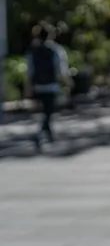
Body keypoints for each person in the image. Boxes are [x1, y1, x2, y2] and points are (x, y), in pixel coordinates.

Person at [25, 22, 68, 151]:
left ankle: (49, 135)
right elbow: (61, 69)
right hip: (51, 85)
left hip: (38, 85)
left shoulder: (33, 50)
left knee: (45, 112)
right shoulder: (56, 50)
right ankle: (40, 134)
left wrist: (28, 87)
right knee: (48, 112)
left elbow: (29, 71)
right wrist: (67, 82)